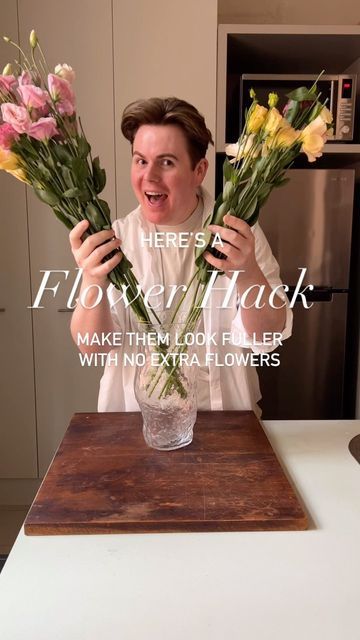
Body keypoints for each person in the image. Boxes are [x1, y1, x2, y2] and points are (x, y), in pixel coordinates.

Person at [69, 97, 292, 414]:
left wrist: (248, 273)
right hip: (134, 424)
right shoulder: (113, 238)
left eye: (167, 162)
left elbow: (268, 336)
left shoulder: (240, 235)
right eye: (141, 161)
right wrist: (93, 280)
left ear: (199, 170)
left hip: (225, 424)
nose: (149, 177)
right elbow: (92, 347)